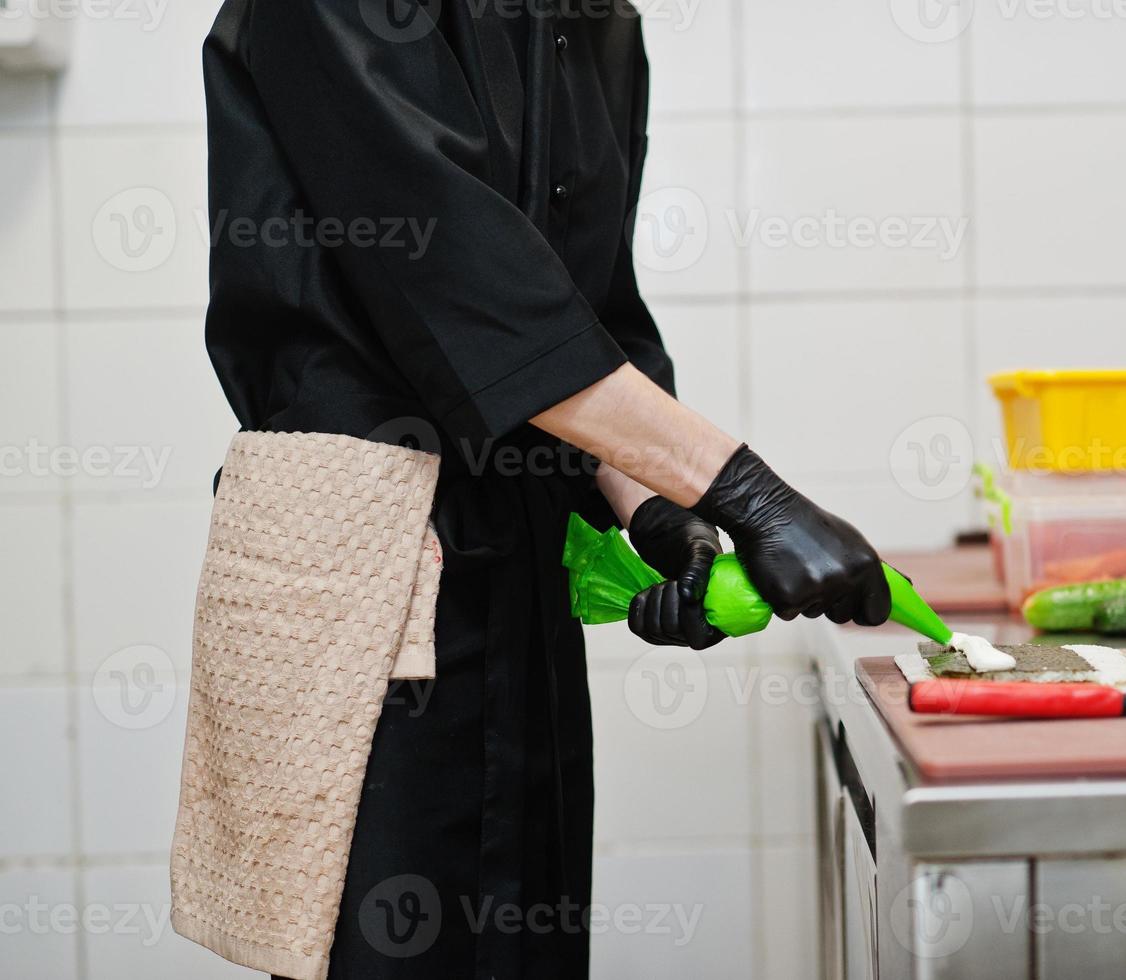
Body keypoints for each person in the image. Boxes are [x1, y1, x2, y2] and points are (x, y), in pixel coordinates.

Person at [199, 1, 890, 978]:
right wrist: (747, 490)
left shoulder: (596, 20)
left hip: (518, 566)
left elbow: (580, 316)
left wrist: (655, 507)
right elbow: (456, 276)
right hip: (364, 564)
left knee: (531, 939)